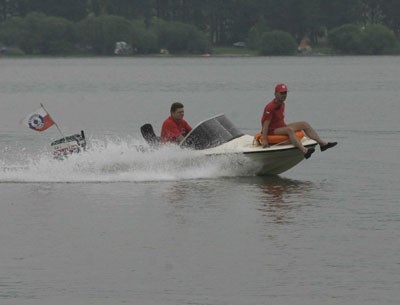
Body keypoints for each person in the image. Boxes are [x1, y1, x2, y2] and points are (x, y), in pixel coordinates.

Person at [261, 83, 337, 159]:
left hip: (280, 127)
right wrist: (265, 140)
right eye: (281, 93)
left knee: (304, 124)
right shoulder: (270, 107)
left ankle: (323, 144)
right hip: (271, 130)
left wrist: (283, 127)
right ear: (275, 93)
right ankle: (305, 151)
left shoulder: (282, 104)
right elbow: (265, 125)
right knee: (289, 130)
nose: (284, 95)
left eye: (285, 93)